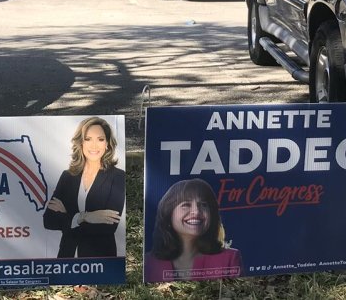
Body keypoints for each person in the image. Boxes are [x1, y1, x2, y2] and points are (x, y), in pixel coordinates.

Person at [43, 117, 125, 258]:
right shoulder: (68, 176)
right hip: (66, 258)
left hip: (100, 260)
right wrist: (86, 217)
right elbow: (49, 220)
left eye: (100, 139)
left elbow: (108, 227)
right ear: (81, 142)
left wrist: (68, 218)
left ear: (107, 144)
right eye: (88, 139)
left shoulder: (117, 177)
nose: (94, 145)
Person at [145, 178, 242, 283]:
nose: (196, 211)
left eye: (203, 205)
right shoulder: (148, 262)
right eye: (186, 205)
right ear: (168, 214)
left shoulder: (230, 259)